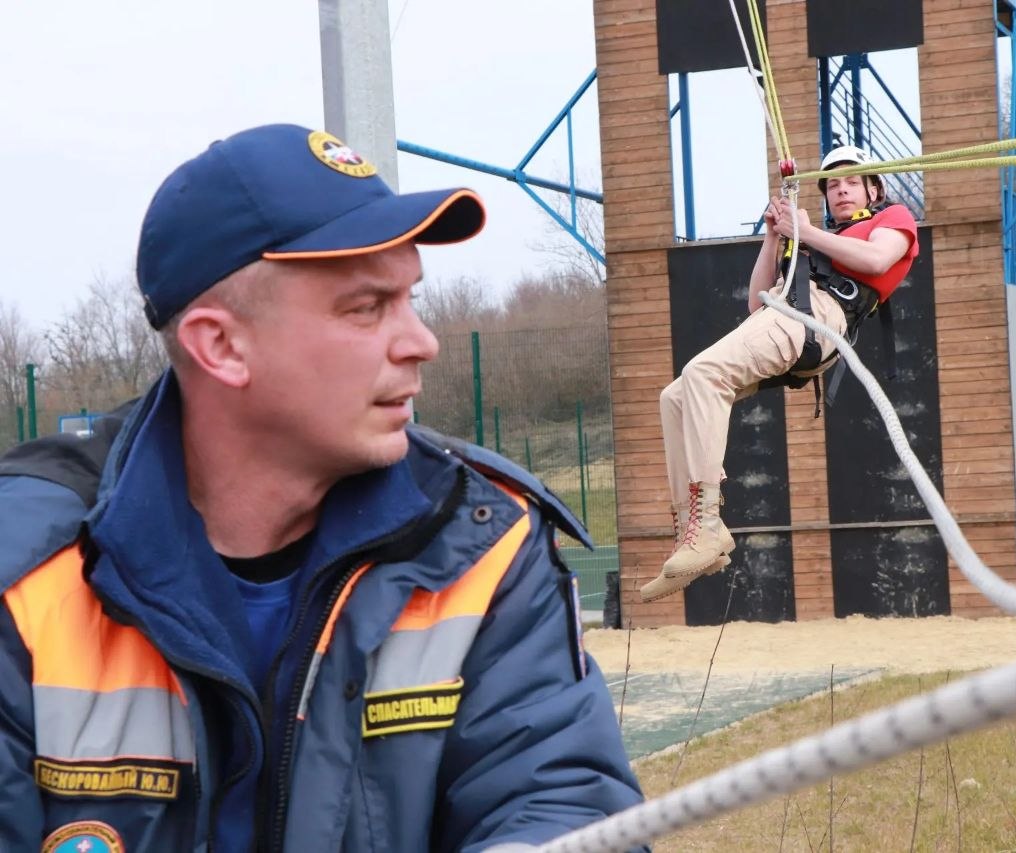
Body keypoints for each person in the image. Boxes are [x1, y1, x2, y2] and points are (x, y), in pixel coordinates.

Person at [0, 124, 643, 852]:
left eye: (410, 298)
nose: (421, 341)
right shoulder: (24, 579)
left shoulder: (481, 544)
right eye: (367, 308)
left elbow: (559, 795)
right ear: (220, 345)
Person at [642, 146, 920, 603]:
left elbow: (875, 262)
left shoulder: (893, 221)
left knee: (704, 373)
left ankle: (708, 525)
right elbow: (756, 303)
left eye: (851, 181)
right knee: (675, 396)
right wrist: (776, 236)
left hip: (821, 318)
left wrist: (806, 230)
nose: (841, 190)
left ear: (874, 188)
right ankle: (692, 534)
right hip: (785, 315)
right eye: (832, 185)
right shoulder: (814, 240)